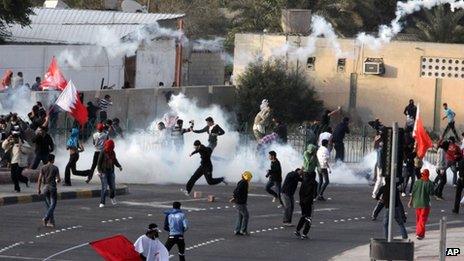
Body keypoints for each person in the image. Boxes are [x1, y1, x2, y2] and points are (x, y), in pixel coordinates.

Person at [408, 169, 434, 240]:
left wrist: (410, 202)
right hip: (425, 204)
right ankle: (420, 234)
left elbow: (412, 193)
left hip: (416, 204)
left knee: (418, 219)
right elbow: (431, 193)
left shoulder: (417, 182)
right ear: (428, 175)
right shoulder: (430, 183)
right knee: (422, 220)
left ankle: (419, 233)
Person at [37, 154, 60, 228]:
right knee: (53, 205)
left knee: (49, 206)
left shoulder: (43, 167)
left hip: (45, 188)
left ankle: (51, 222)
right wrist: (58, 180)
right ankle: (46, 218)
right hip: (52, 187)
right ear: (53, 159)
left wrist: (38, 189)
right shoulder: (55, 168)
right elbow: (58, 179)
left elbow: (40, 179)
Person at [97, 139, 122, 208]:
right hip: (103, 172)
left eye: (111, 147)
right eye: (109, 147)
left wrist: (119, 166)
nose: (110, 149)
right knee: (104, 188)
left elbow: (115, 160)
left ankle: (112, 197)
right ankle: (102, 202)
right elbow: (98, 163)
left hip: (111, 171)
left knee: (113, 187)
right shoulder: (103, 152)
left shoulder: (113, 152)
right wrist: (100, 171)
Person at [294, 171, 318, 240]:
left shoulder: (304, 182)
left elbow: (300, 192)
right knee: (309, 217)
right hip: (309, 202)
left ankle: (297, 230)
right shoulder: (314, 183)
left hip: (302, 202)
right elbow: (315, 194)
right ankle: (304, 234)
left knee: (303, 215)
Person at [230, 171, 253, 235]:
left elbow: (236, 191)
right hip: (241, 203)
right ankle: (243, 230)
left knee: (240, 216)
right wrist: (235, 198)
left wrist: (234, 198)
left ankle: (237, 230)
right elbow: (237, 191)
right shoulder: (244, 183)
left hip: (239, 203)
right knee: (246, 216)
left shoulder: (241, 181)